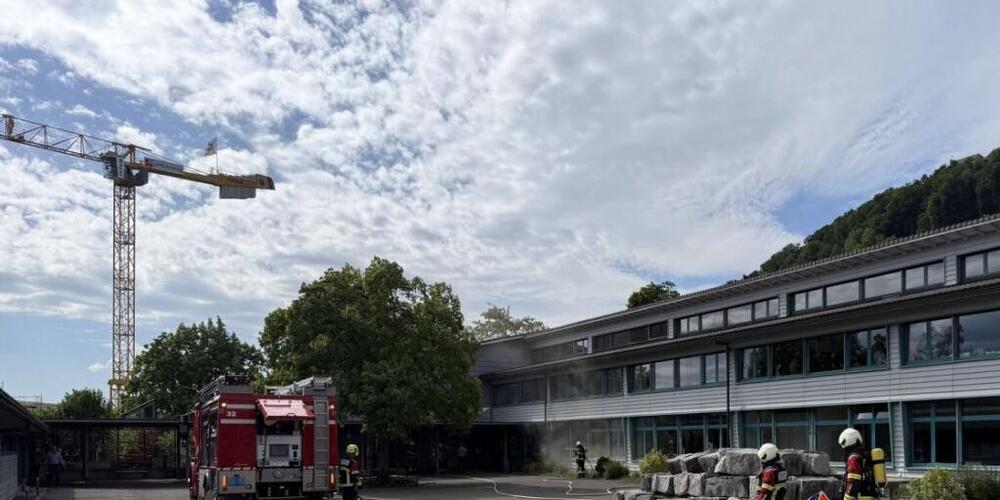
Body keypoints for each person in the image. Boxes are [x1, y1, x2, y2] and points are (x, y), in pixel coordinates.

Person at [839, 428, 878, 500]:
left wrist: (846, 498)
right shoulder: (864, 455)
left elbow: (853, 481)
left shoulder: (854, 459)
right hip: (870, 495)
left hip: (859, 497)